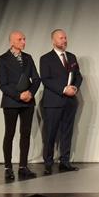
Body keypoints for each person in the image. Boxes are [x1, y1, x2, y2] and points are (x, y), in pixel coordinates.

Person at [0, 30, 41, 181]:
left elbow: (36, 79)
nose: (23, 42)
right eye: (20, 39)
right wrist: (18, 95)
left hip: (28, 101)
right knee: (10, 133)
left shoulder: (28, 58)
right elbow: (3, 84)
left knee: (25, 133)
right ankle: (8, 167)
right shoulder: (2, 59)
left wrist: (30, 93)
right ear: (12, 42)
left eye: (24, 39)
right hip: (11, 101)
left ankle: (23, 166)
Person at [40, 29, 83, 175]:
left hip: (70, 102)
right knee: (50, 134)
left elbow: (78, 76)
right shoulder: (45, 58)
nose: (64, 40)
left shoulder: (71, 57)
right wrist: (64, 89)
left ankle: (65, 162)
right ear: (53, 41)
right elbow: (46, 80)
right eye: (61, 38)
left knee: (67, 133)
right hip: (53, 102)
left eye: (65, 38)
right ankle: (48, 163)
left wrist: (75, 88)